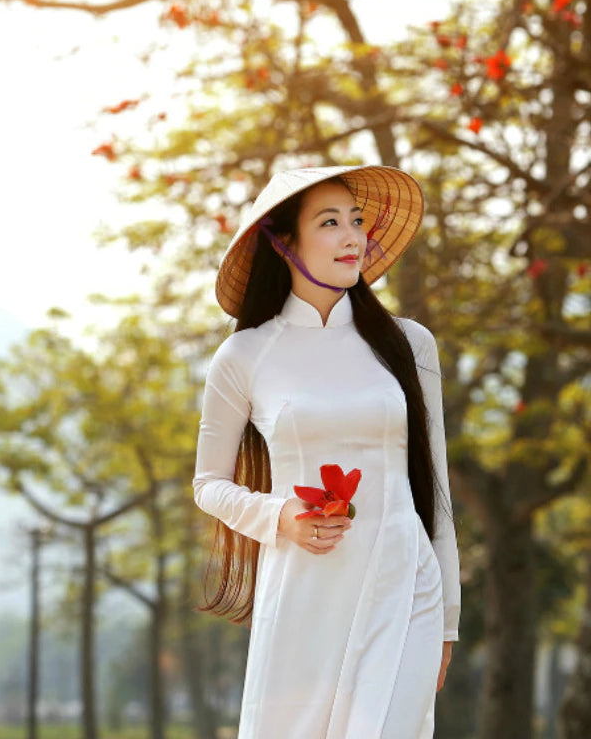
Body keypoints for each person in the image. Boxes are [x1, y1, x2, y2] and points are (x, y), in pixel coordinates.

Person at [193, 164, 461, 739]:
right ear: (286, 242)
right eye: (331, 222)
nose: (352, 237)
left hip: (404, 585)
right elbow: (208, 484)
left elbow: (434, 489)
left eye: (357, 221)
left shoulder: (410, 344)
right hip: (302, 596)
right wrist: (280, 515)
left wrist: (448, 623)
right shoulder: (244, 357)